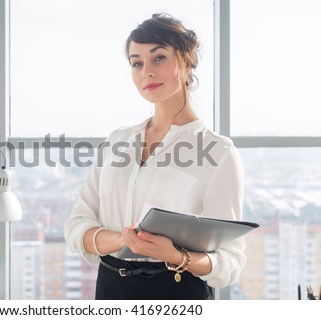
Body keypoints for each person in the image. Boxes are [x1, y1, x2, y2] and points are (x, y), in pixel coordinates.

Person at [64, 13, 246, 300]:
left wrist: (175, 255)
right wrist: (124, 240)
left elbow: (230, 262)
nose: (145, 71)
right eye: (137, 63)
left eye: (158, 58)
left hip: (177, 290)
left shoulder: (219, 152)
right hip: (111, 289)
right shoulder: (117, 142)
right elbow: (76, 228)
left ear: (186, 61)